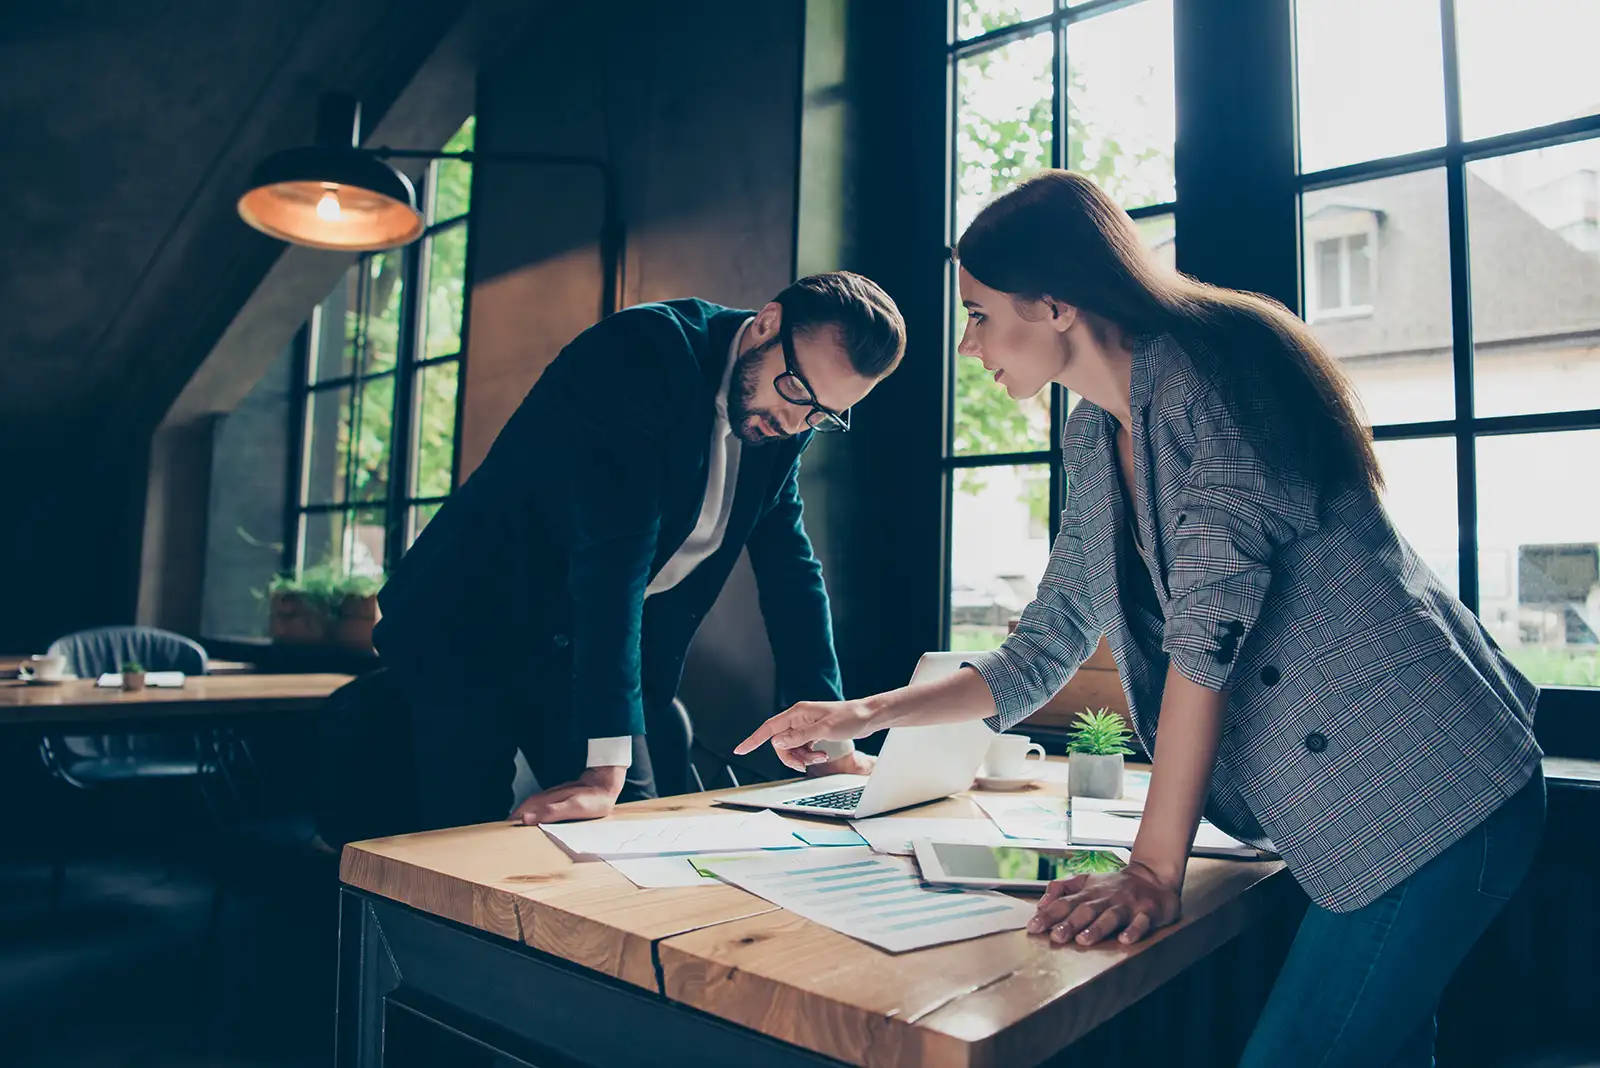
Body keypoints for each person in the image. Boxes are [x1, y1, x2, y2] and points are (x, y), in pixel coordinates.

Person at [736, 172, 1544, 1068]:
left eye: (976, 312)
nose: (968, 345)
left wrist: (1155, 872)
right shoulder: (1093, 435)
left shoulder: (1214, 377)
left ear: (1052, 305)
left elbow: (1208, 634)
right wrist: (861, 717)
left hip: (1432, 789)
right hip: (1361, 813)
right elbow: (1046, 644)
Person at [322, 272, 904, 840]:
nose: (798, 422)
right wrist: (604, 770)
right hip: (471, 625)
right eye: (799, 391)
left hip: (581, 651)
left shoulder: (785, 416)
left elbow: (791, 575)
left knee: (630, 839)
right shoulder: (644, 351)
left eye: (823, 414)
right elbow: (614, 557)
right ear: (767, 324)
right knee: (463, 843)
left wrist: (833, 746)